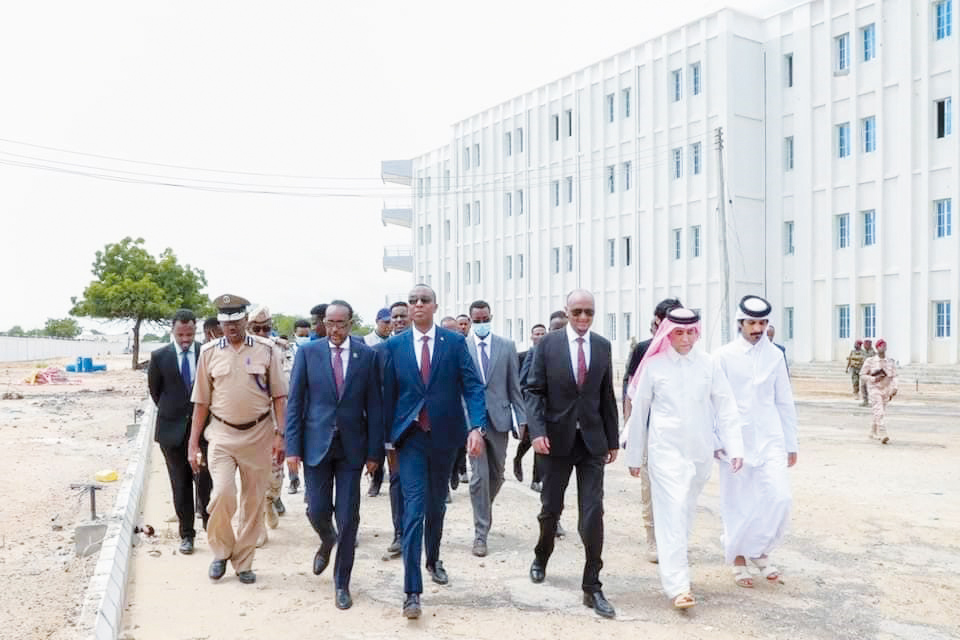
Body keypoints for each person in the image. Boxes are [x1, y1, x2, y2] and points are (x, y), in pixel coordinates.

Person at [624, 307, 743, 610]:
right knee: (673, 510)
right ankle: (678, 586)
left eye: (691, 332)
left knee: (684, 512)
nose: (686, 338)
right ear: (668, 333)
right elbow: (639, 414)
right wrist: (635, 455)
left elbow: (726, 406)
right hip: (665, 452)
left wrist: (735, 448)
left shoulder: (708, 365)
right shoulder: (654, 366)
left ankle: (676, 568)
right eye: (680, 332)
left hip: (699, 453)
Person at [380, 284, 486, 619]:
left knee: (436, 506)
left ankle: (433, 558)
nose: (417, 305)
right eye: (412, 301)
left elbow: (472, 385)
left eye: (424, 300)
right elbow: (387, 397)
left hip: (444, 438)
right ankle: (412, 592)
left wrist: (476, 427)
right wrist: (386, 442)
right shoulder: (394, 346)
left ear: (435, 306)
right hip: (409, 438)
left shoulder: (453, 343)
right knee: (414, 511)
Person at [525, 289, 619, 619]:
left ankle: (592, 585)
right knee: (551, 509)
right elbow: (533, 390)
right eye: (577, 311)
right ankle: (542, 554)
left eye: (588, 312)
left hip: (592, 442)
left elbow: (606, 395)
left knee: (593, 513)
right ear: (566, 311)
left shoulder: (604, 346)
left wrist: (612, 439)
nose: (582, 318)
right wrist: (537, 432)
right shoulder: (547, 345)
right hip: (555, 441)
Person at [285, 300, 383, 610]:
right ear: (323, 323)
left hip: (352, 448)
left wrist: (374, 452)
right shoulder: (308, 353)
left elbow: (375, 407)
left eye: (341, 323)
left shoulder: (366, 356)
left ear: (351, 323)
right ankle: (327, 539)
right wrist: (292, 448)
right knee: (316, 510)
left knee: (349, 518)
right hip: (316, 445)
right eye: (330, 323)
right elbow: (295, 403)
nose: (335, 329)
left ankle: (342, 583)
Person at [188, 294, 288, 585]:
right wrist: (193, 443)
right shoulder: (208, 353)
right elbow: (201, 403)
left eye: (236, 321)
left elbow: (280, 397)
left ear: (246, 320)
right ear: (219, 323)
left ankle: (243, 561)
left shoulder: (267, 350)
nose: (231, 327)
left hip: (259, 434)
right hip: (221, 434)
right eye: (225, 322)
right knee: (221, 494)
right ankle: (220, 551)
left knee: (253, 502)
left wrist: (281, 436)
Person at [714, 296, 798, 589]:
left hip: (770, 437)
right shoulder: (723, 356)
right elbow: (714, 400)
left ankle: (759, 550)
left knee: (779, 497)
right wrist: (716, 438)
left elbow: (784, 400)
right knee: (737, 501)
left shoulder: (775, 355)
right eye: (752, 323)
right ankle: (738, 556)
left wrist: (791, 442)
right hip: (734, 439)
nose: (758, 328)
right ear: (741, 323)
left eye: (763, 323)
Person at [620, 297, 683, 563]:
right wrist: (629, 429)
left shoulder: (685, 352)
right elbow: (630, 391)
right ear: (658, 321)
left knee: (679, 487)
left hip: (678, 432)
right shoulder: (644, 350)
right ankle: (653, 539)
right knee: (650, 486)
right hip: (647, 430)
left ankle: (676, 537)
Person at [464, 300, 526, 557]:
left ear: (491, 317)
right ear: (469, 321)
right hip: (472, 422)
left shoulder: (507, 346)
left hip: (499, 419)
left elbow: (515, 386)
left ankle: (483, 508)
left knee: (497, 474)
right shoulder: (462, 346)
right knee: (479, 477)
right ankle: (481, 534)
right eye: (476, 321)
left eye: (484, 320)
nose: (480, 324)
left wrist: (521, 419)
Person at [147, 308, 211, 555]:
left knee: (206, 481)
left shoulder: (206, 353)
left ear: (195, 330)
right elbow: (155, 392)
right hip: (171, 432)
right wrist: (174, 413)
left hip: (204, 430)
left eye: (189, 334)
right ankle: (186, 535)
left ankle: (211, 528)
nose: (185, 340)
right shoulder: (159, 356)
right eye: (180, 334)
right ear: (172, 331)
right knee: (180, 484)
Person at [247, 305, 288, 539]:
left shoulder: (282, 351)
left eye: (266, 328)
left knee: (275, 475)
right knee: (252, 477)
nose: (262, 333)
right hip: (252, 424)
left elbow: (289, 391)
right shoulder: (241, 351)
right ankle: (259, 523)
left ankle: (271, 500)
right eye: (257, 328)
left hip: (277, 423)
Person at [513, 323, 546, 489]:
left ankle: (536, 480)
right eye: (537, 334)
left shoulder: (551, 354)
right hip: (530, 404)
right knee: (528, 440)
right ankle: (517, 459)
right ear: (531, 337)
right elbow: (521, 382)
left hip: (547, 405)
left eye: (542, 333)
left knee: (541, 441)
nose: (540, 337)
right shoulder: (525, 355)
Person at [859, 339, 898, 444]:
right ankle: (882, 432)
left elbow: (894, 376)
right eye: (881, 345)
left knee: (879, 412)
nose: (883, 347)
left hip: (885, 389)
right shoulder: (870, 361)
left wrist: (895, 388)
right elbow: (862, 375)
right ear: (877, 348)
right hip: (874, 388)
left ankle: (872, 431)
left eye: (885, 345)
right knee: (879, 411)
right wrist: (873, 379)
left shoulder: (890, 361)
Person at [860, 339, 877, 406]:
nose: (864, 346)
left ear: (869, 345)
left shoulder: (873, 353)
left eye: (866, 344)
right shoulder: (863, 352)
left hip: (870, 373)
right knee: (863, 387)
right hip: (864, 373)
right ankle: (865, 401)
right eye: (864, 344)